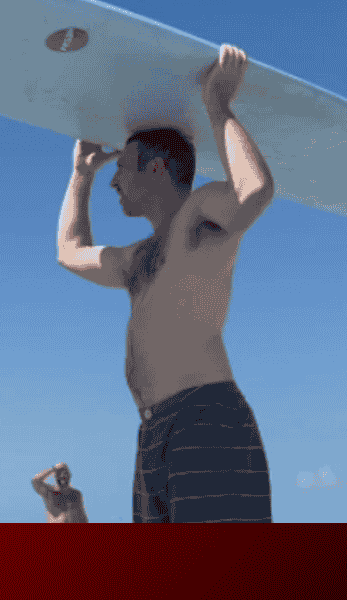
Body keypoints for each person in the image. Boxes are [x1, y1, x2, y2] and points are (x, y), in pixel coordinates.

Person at [57, 44, 275, 523]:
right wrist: (80, 177)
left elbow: (253, 191)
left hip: (206, 421)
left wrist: (217, 104)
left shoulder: (198, 218)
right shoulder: (137, 258)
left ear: (156, 168)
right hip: (153, 432)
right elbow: (69, 253)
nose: (113, 184)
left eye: (121, 170)